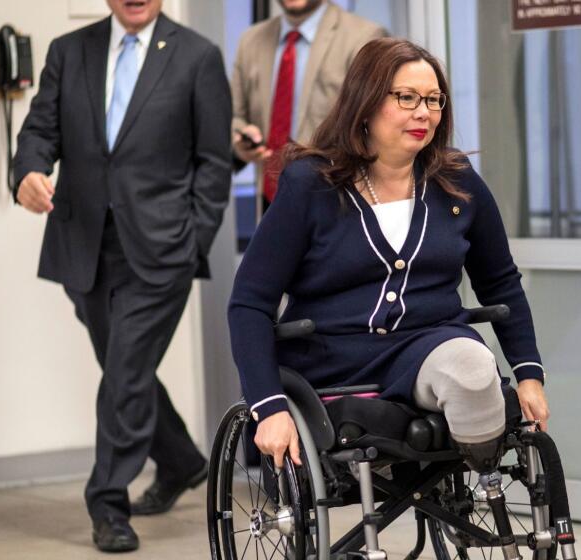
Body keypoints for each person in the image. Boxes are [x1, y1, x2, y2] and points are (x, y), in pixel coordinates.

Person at [228, 38, 549, 549]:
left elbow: (501, 282)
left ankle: (482, 486)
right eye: (407, 98)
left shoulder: (457, 183)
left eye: (434, 99)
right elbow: (249, 303)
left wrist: (528, 372)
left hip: (426, 348)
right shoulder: (309, 184)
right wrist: (268, 406)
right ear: (366, 101)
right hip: (332, 360)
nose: (424, 112)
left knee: (473, 367)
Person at [13, 0, 232, 552]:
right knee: (123, 370)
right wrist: (29, 171)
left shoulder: (197, 57)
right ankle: (182, 461)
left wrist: (194, 239)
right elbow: (40, 129)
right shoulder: (70, 51)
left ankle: (107, 503)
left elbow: (213, 160)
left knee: (126, 372)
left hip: (162, 250)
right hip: (84, 243)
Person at [231, 0, 386, 212]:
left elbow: (376, 129)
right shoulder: (250, 41)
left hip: (337, 201)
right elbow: (235, 117)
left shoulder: (364, 37)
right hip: (270, 203)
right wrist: (241, 141)